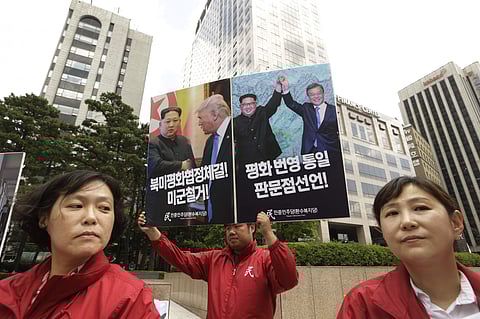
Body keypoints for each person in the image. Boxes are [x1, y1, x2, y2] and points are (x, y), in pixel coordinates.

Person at [0, 170, 159, 319]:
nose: (91, 217)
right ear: (43, 218)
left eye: (104, 208)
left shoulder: (131, 299)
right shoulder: (8, 289)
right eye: (76, 205)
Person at [337, 176, 480, 319]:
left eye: (420, 208)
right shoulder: (362, 304)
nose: (406, 222)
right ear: (383, 232)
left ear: (455, 222)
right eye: (392, 213)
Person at [138, 211, 298, 319]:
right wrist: (153, 234)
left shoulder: (265, 259)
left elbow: (288, 280)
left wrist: (269, 234)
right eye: (228, 228)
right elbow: (182, 259)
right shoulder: (214, 259)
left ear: (252, 228)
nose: (231, 232)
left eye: (237, 226)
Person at [279, 76, 340, 156]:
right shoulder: (306, 108)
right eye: (312, 95)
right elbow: (291, 104)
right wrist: (285, 89)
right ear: (308, 97)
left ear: (323, 93)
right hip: (309, 152)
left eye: (318, 94)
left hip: (331, 152)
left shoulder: (334, 110)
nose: (316, 97)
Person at [197, 94, 234, 224]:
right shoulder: (211, 142)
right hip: (213, 217)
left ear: (214, 115)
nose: (199, 123)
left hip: (235, 217)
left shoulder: (240, 132)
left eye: (201, 118)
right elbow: (203, 178)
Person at [233, 83, 282, 166]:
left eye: (251, 104)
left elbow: (274, 103)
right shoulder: (235, 122)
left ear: (255, 105)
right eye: (245, 104)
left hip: (268, 158)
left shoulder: (262, 112)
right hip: (248, 163)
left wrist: (278, 87)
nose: (248, 107)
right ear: (240, 107)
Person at [148, 106, 195, 178]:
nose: (171, 125)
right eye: (168, 121)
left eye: (175, 121)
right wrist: (181, 165)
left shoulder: (184, 141)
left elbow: (191, 165)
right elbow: (156, 165)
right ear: (160, 124)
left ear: (179, 122)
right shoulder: (153, 143)